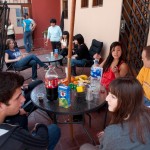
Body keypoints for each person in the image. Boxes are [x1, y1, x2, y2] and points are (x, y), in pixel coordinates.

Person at [80, 77, 150, 150]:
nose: (107, 99)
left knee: (84, 147)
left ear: (127, 103)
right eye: (109, 93)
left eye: (113, 97)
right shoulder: (146, 113)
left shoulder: (113, 132)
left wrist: (104, 138)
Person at [0, 72, 61, 150]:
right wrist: (39, 126)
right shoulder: (13, 135)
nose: (23, 99)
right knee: (54, 129)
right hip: (34, 142)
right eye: (18, 97)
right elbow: (42, 142)